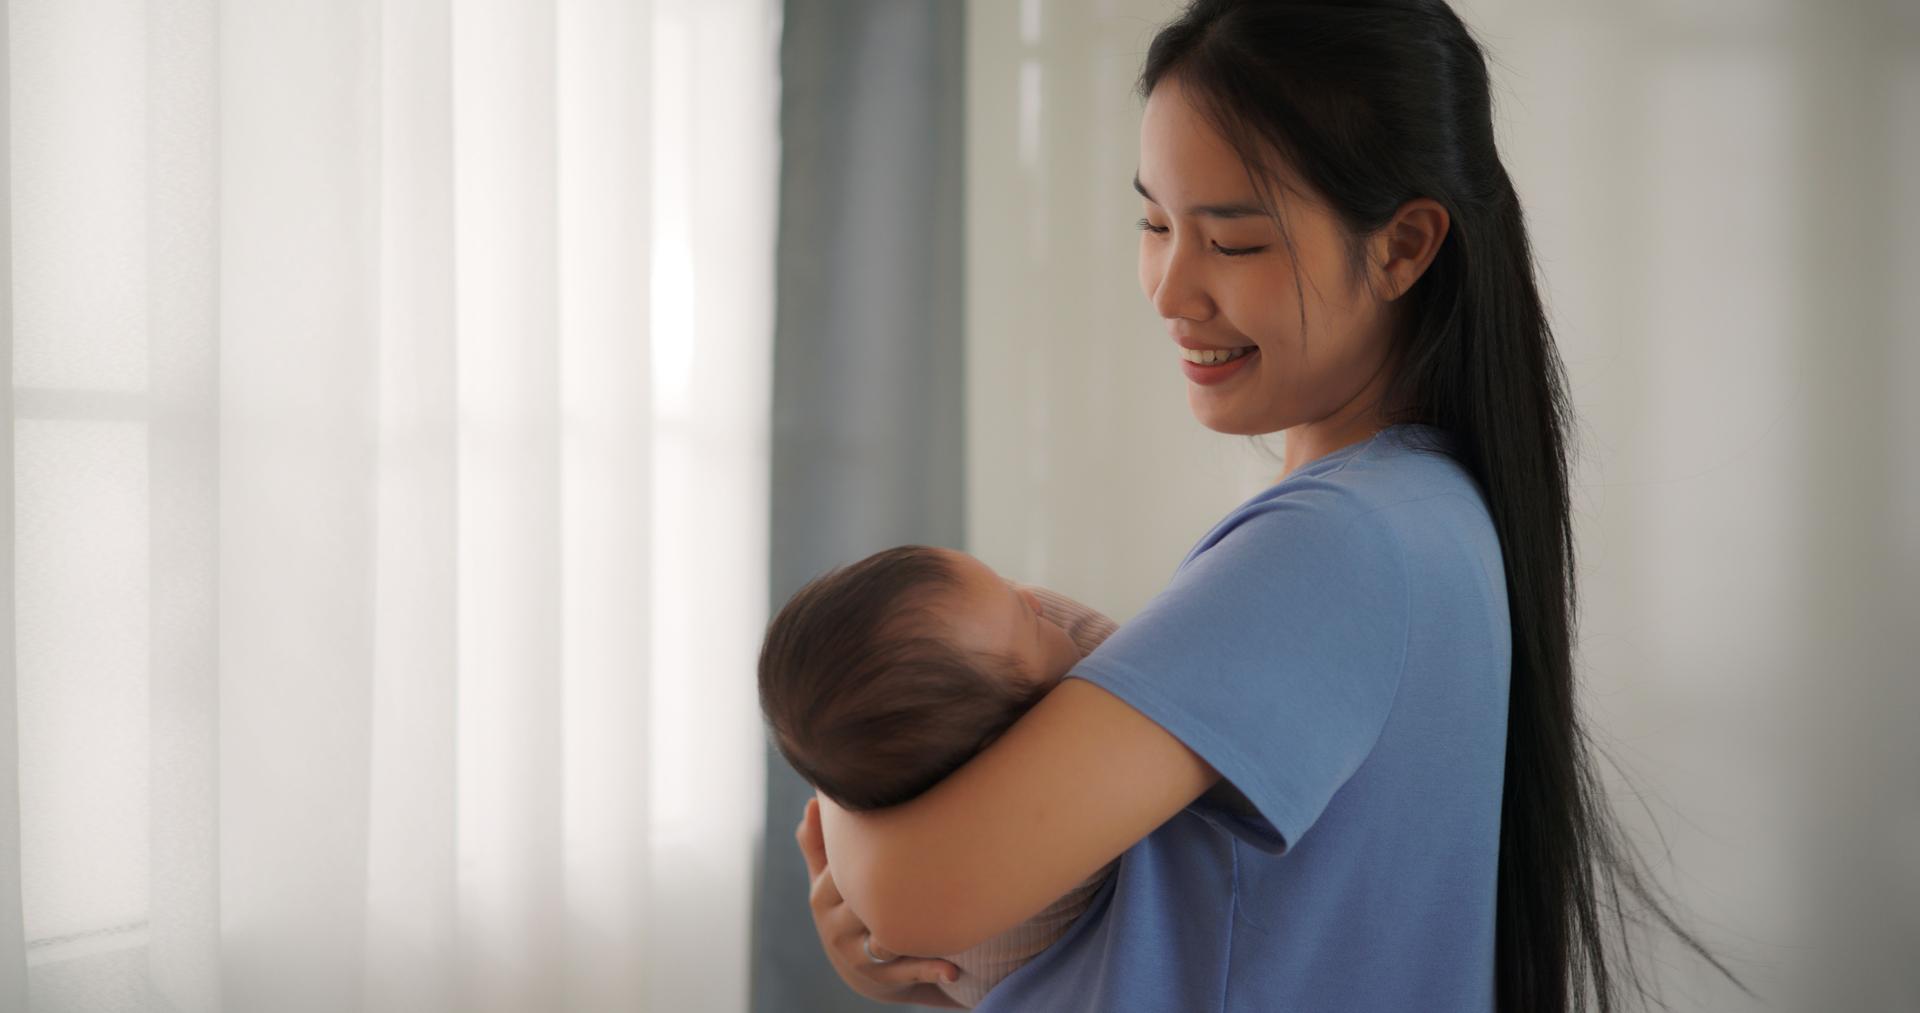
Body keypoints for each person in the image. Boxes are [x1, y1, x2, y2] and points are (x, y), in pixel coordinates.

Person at [794, 1, 1754, 1009]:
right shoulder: (1422, 515)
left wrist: (843, 783)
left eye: (1235, 242)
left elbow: (916, 890)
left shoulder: (1340, 546)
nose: (1171, 288)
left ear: (1403, 246)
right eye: (1155, 223)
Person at [758, 544, 1126, 1006]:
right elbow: (1119, 655)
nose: (1035, 601)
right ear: (1003, 750)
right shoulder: (1059, 806)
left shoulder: (892, 790)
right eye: (1027, 619)